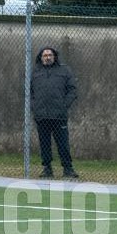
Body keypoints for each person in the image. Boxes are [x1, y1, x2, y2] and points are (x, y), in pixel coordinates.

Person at [30, 46, 78, 179]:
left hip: (59, 116)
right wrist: (35, 107)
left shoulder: (64, 71)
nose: (48, 57)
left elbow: (72, 90)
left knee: (63, 143)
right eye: (45, 55)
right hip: (42, 116)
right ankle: (47, 169)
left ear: (54, 56)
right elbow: (29, 92)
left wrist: (64, 106)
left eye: (50, 55)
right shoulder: (35, 72)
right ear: (41, 57)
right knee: (44, 143)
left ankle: (68, 169)